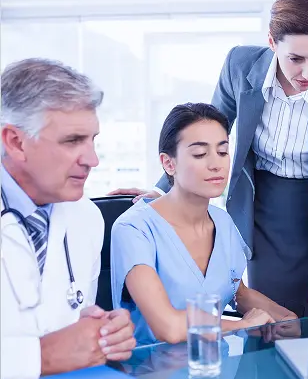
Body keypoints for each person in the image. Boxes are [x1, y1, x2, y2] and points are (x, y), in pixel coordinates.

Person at [109, 0, 308, 317]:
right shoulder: (240, 65)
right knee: (272, 322)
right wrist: (165, 189)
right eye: (296, 59)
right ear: (272, 42)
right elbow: (205, 131)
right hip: (262, 214)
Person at [110, 103, 298, 346]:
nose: (216, 164)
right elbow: (168, 327)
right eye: (200, 154)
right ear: (168, 164)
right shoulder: (133, 229)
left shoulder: (222, 221)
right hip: (153, 366)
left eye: (222, 152)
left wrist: (286, 317)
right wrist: (241, 326)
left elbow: (237, 293)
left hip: (217, 364)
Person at [1, 58, 135, 379]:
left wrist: (100, 332)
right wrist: (40, 357)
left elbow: (68, 318)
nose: (92, 159)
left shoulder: (86, 218)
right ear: (15, 142)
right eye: (72, 141)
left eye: (92, 139)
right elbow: (46, 352)